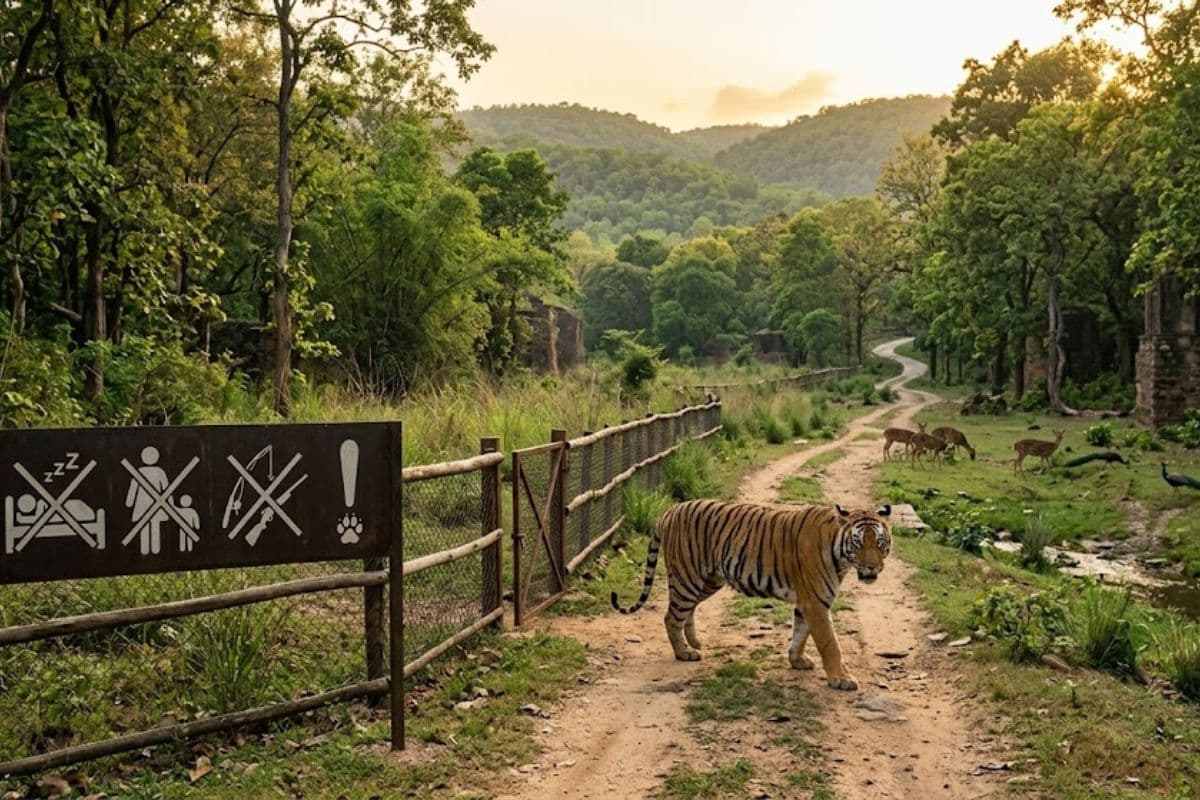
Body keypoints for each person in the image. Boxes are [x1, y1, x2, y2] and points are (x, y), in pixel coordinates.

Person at [125, 446, 169, 555]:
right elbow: (166, 489)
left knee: (148, 524)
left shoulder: (156, 472)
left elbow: (166, 488)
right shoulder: (158, 471)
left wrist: (129, 503)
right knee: (151, 523)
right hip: (147, 502)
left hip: (146, 503)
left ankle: (150, 549)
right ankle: (151, 549)